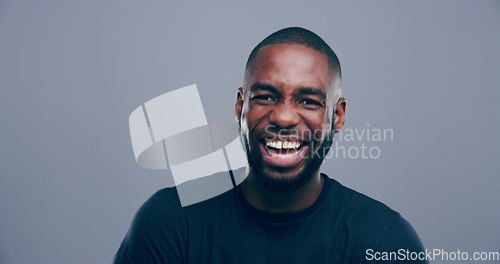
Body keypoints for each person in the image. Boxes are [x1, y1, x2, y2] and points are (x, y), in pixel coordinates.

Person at [114, 27, 427, 264]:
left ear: (338, 115)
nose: (285, 117)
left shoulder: (383, 241)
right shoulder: (171, 222)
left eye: (308, 101)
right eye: (265, 97)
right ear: (240, 107)